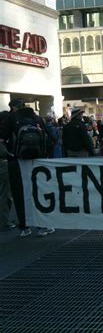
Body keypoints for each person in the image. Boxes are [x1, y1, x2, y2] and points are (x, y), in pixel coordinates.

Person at [0, 99, 54, 237]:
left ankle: (24, 227)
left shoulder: (11, 118)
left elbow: (1, 139)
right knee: (37, 192)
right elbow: (50, 137)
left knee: (19, 194)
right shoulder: (36, 117)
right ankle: (42, 226)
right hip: (36, 162)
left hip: (16, 161)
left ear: (13, 107)